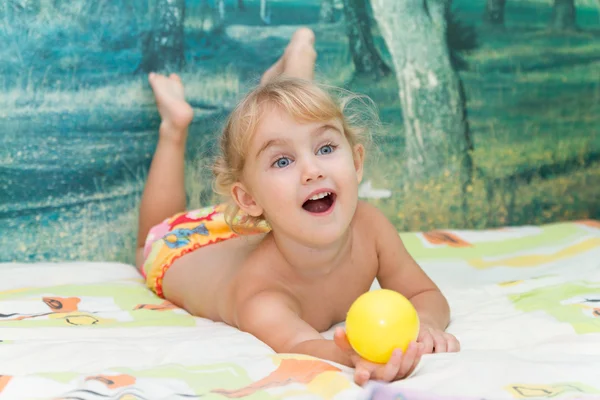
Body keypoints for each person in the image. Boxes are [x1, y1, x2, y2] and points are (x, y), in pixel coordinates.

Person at [136, 27, 460, 386]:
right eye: (282, 162)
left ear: (356, 162)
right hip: (182, 245)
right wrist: (350, 355)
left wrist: (425, 323)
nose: (312, 170)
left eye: (325, 149)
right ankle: (175, 126)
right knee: (149, 239)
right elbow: (299, 343)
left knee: (288, 129)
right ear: (249, 200)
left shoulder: (369, 226)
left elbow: (425, 294)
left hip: (261, 227)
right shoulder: (261, 294)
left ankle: (282, 86)